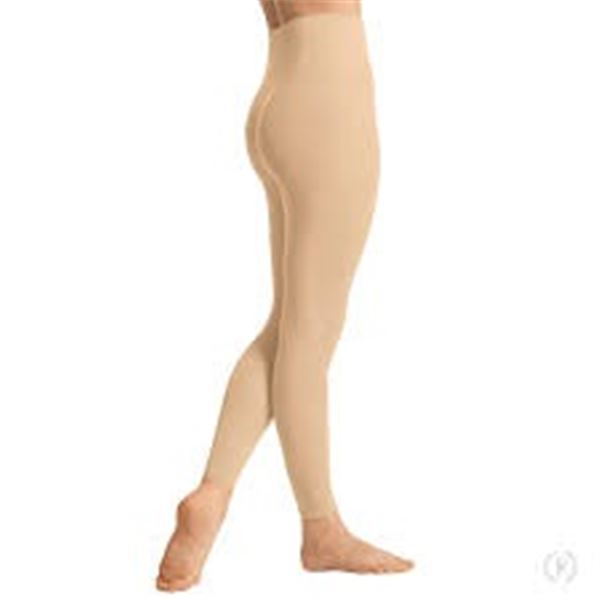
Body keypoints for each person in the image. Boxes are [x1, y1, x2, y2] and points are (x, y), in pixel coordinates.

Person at [156, 1, 414, 590]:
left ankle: (213, 492)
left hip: (281, 93)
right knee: (312, 332)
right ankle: (321, 528)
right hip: (331, 103)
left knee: (291, 325)